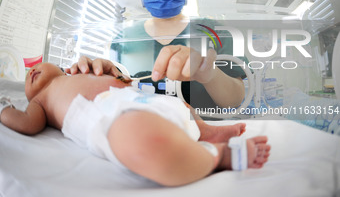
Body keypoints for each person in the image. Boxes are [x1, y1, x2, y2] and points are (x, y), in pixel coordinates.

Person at [0, 63, 270, 186]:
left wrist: (116, 75)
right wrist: (6, 110)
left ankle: (206, 131)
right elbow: (27, 123)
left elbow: (127, 80)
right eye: (26, 80)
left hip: (138, 98)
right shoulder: (41, 101)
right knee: (146, 143)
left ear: (60, 67)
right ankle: (218, 156)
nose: (31, 73)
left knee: (181, 106)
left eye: (35, 67)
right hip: (109, 114)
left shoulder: (76, 72)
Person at [67, 0, 248, 111]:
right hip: (144, 133)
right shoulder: (124, 38)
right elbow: (119, 92)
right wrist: (98, 77)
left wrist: (210, 75)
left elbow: (236, 99)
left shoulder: (215, 32)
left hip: (205, 135)